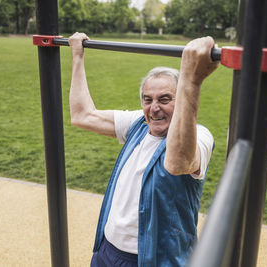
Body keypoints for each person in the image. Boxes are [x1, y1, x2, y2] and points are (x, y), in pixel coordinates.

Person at [68, 32, 219, 267]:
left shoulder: (201, 136)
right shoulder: (139, 123)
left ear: (181, 100)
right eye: (148, 99)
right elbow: (82, 116)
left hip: (153, 261)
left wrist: (191, 79)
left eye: (165, 99)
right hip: (107, 252)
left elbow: (178, 162)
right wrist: (77, 57)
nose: (154, 108)